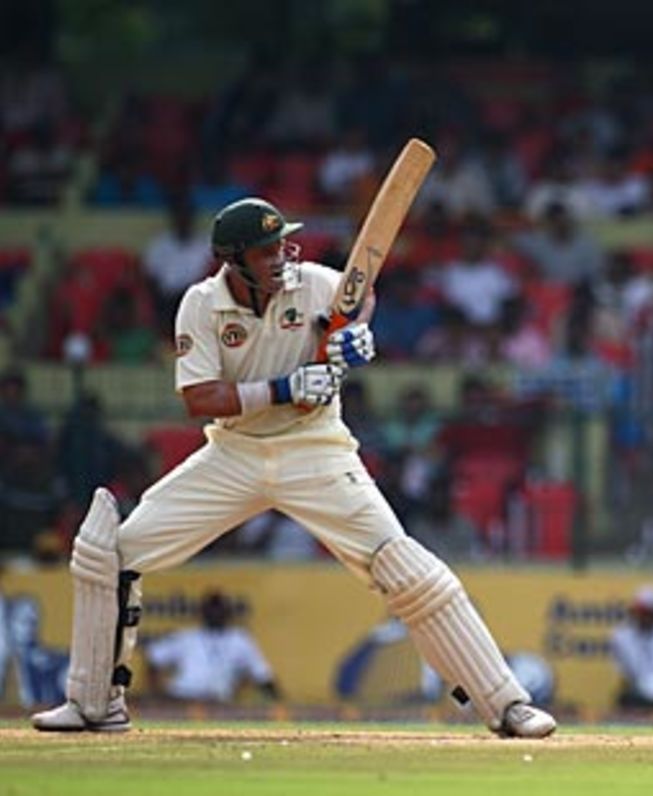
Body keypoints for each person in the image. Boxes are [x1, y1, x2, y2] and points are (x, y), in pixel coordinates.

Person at [30, 197, 555, 738]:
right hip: (233, 454)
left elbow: (360, 294)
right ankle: (94, 705)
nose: (281, 256)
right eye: (266, 250)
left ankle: (508, 705)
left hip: (316, 449)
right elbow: (199, 397)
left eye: (282, 242)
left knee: (407, 569)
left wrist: (351, 333)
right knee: (109, 555)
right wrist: (282, 388)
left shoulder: (310, 281)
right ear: (234, 260)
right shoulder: (201, 304)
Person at [144, 591, 278, 702]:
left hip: (216, 701)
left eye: (219, 609)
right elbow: (153, 658)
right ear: (203, 612)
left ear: (227, 612)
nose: (215, 614)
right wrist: (156, 694)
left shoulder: (239, 639)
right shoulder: (188, 637)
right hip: (181, 697)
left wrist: (279, 702)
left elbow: (262, 675)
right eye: (211, 610)